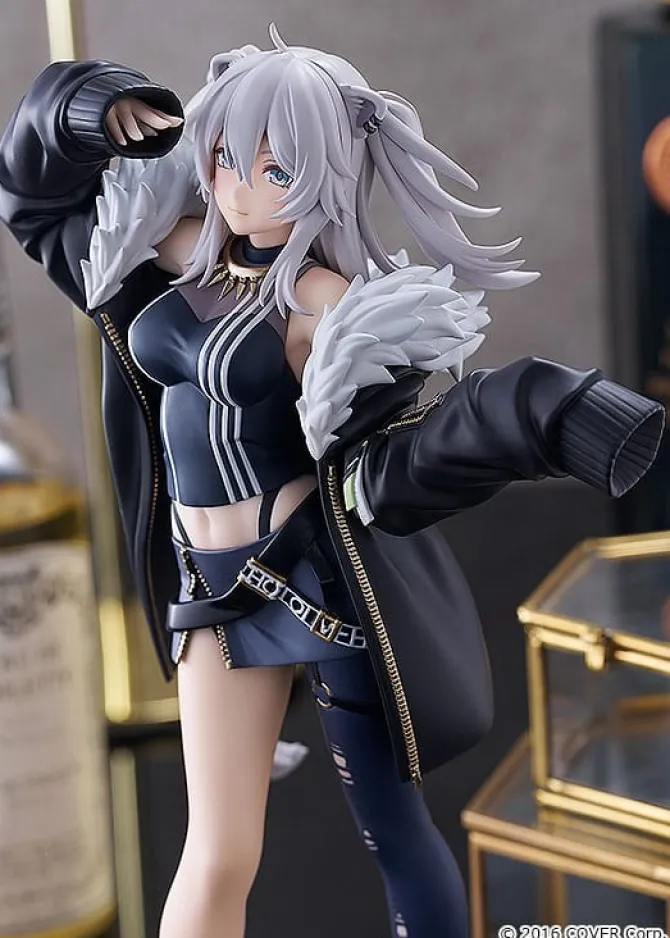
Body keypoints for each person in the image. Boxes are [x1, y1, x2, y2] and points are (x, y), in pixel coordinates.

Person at [0, 25, 664, 938]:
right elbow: (36, 204)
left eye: (274, 169)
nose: (238, 185)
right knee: (217, 849)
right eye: (224, 157)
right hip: (210, 590)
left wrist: (530, 413)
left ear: (325, 176)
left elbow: (383, 458)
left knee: (393, 831)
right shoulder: (167, 248)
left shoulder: (328, 306)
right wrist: (91, 108)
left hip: (313, 584)